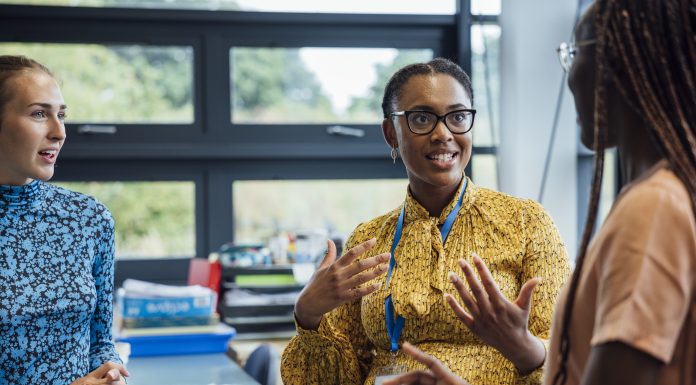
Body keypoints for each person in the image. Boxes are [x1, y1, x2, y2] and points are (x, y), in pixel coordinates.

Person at [386, 1, 696, 384]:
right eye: (421, 118)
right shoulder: (660, 197)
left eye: (575, 52)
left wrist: (522, 349)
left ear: (621, 66)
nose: (569, 76)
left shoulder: (654, 208)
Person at [280, 57, 571, 385]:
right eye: (421, 118)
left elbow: (573, 362)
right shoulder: (369, 238)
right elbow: (336, 379)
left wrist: (525, 348)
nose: (443, 134)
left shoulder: (525, 222)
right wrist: (308, 315)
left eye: (458, 117)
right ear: (392, 133)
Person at [0, 55, 129, 385]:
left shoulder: (90, 219)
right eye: (39, 114)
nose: (59, 132)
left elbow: (100, 342)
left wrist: (112, 372)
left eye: (62, 115)